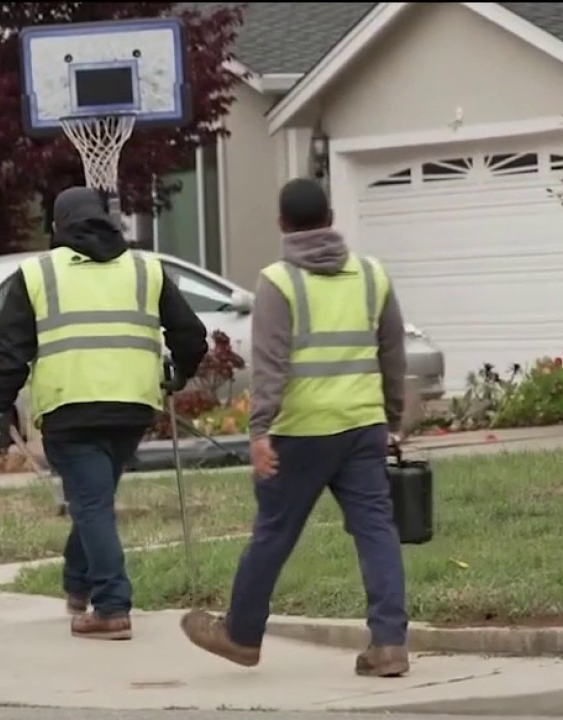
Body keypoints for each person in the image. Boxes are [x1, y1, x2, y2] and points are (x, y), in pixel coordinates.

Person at [180, 178, 411, 677]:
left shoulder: (278, 282)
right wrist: (392, 420)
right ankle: (390, 643)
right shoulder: (372, 275)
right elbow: (393, 353)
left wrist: (259, 432)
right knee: (376, 531)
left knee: (274, 532)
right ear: (331, 219)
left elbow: (270, 364)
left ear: (281, 224)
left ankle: (241, 635)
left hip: (300, 433)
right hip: (362, 427)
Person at [0, 186, 208, 639]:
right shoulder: (146, 269)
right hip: (132, 408)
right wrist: (180, 372)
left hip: (68, 408)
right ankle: (77, 583)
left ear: (56, 227)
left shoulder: (36, 274)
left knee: (90, 504)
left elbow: (10, 349)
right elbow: (191, 334)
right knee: (95, 500)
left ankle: (111, 607)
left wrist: (3, 404)